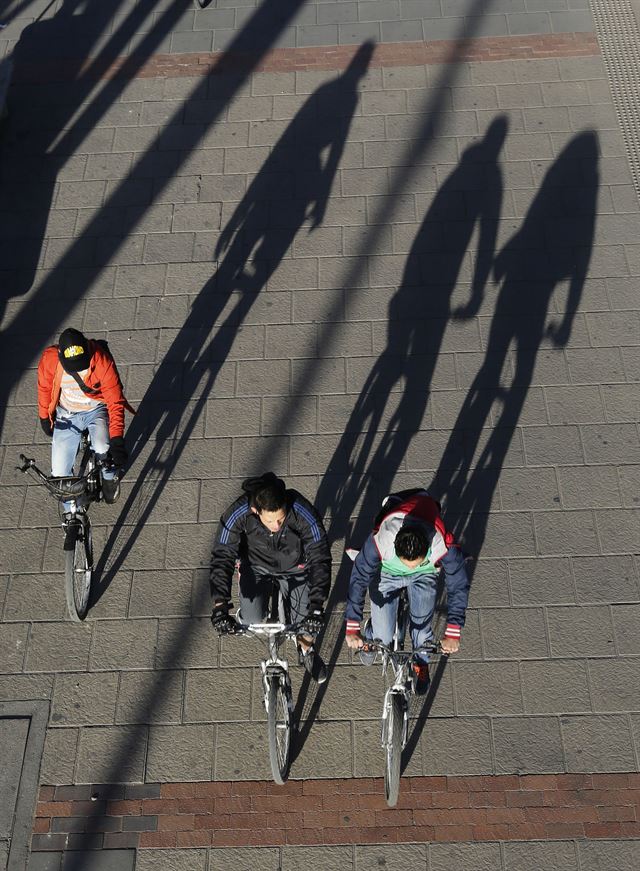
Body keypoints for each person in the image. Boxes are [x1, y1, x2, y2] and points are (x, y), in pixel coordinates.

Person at [209, 473, 331, 684]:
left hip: (295, 568)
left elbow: (320, 555)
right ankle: (251, 610)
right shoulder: (238, 513)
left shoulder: (301, 511)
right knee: (250, 621)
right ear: (256, 511)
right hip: (256, 567)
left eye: (281, 519)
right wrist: (220, 605)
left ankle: (305, 649)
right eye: (270, 521)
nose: (277, 525)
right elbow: (222, 555)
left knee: (307, 624)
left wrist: (317, 605)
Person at [344, 488, 469, 694]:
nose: (410, 568)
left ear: (427, 547)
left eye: (415, 563)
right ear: (395, 544)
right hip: (388, 573)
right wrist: (352, 625)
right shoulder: (383, 537)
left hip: (425, 574)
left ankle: (421, 662)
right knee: (382, 637)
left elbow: (458, 583)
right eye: (407, 563)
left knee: (422, 633)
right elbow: (359, 576)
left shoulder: (441, 541)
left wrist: (453, 630)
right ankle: (371, 630)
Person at [37, 328, 131, 508]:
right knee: (60, 475)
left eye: (83, 364)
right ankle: (72, 515)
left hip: (96, 410)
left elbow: (114, 401)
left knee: (104, 448)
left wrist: (117, 440)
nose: (80, 370)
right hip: (67, 414)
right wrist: (44, 417)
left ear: (88, 349)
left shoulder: (102, 360)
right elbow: (44, 389)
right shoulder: (49, 360)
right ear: (60, 356)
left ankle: (109, 478)